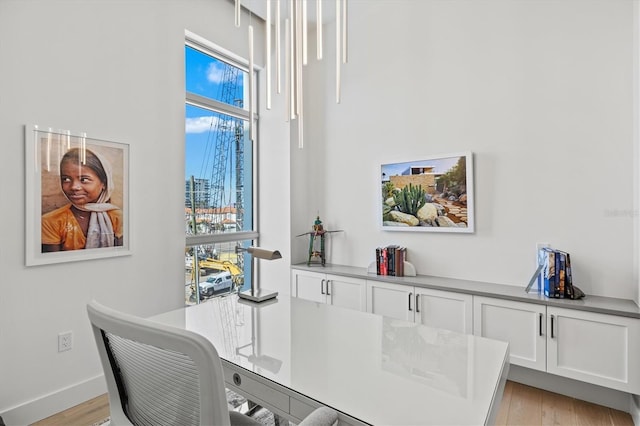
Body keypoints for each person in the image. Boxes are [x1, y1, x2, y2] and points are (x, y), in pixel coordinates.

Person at [41, 147, 123, 252]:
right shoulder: (51, 222)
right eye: (66, 179)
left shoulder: (118, 217)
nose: (74, 187)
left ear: (104, 183)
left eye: (84, 179)